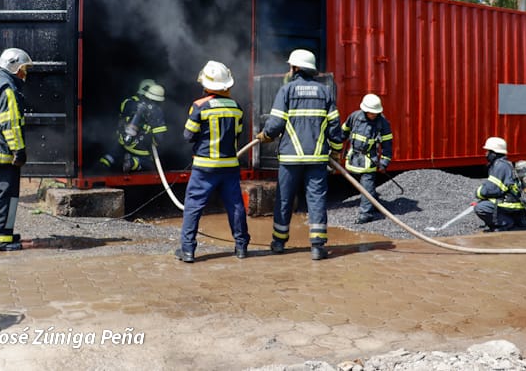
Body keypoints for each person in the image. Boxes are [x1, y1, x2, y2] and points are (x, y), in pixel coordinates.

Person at [256, 49, 344, 260]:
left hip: (290, 158)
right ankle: (317, 247)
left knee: (284, 199)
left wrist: (266, 135)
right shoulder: (325, 92)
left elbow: (276, 123)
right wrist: (337, 151)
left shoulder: (286, 90)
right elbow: (334, 127)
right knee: (316, 200)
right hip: (317, 158)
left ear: (295, 68)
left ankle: (279, 242)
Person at [176, 61, 250, 263]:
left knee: (193, 207)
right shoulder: (237, 108)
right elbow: (238, 134)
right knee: (235, 206)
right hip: (229, 166)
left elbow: (188, 135)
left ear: (206, 83)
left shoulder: (199, 106)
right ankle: (241, 247)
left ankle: (188, 251)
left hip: (204, 167)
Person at [0, 47, 32, 251]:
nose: (24, 74)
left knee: (3, 197)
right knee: (4, 197)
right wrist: (19, 150)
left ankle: (4, 232)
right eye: (23, 69)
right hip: (3, 154)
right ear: (14, 68)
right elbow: (10, 125)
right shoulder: (8, 90)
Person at [340, 93, 393, 224]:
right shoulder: (354, 117)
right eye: (371, 112)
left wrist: (384, 162)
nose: (373, 114)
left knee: (367, 185)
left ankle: (366, 214)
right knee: (364, 185)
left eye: (375, 112)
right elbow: (343, 132)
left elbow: (387, 144)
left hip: (369, 159)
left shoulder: (382, 123)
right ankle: (373, 203)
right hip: (354, 157)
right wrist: (334, 146)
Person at [99, 79, 168, 172]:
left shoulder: (128, 102)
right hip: (141, 149)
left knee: (112, 155)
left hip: (122, 142)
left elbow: (120, 119)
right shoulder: (156, 111)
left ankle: (104, 164)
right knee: (150, 165)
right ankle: (133, 163)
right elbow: (158, 138)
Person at [473, 136, 526, 232]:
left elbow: (491, 189)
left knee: (481, 207)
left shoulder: (500, 166)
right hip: (515, 204)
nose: (486, 154)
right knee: (486, 202)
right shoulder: (505, 164)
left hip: (510, 205)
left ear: (494, 153)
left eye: (488, 151)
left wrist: (478, 192)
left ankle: (506, 223)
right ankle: (515, 219)